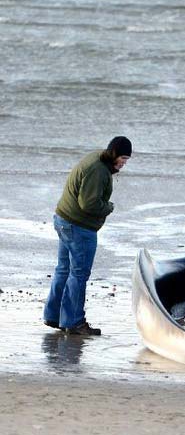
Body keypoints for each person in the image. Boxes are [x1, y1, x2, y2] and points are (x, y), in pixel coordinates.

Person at [43, 136, 132, 335]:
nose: (124, 164)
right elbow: (89, 204)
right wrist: (108, 207)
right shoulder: (99, 171)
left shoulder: (96, 159)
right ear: (114, 154)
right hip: (78, 227)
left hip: (64, 219)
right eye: (123, 158)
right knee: (78, 274)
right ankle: (74, 322)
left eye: (126, 160)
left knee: (63, 270)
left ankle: (54, 316)